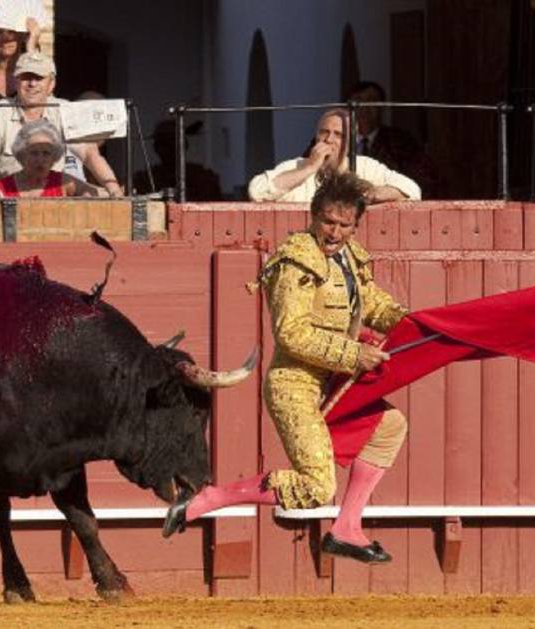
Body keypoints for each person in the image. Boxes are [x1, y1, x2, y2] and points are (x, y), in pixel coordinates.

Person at [164, 172, 410, 564]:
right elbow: (291, 334)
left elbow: (373, 303)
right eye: (328, 222)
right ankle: (210, 498)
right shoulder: (296, 261)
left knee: (390, 426)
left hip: (332, 379)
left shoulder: (349, 257)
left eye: (344, 225)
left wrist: (412, 323)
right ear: (313, 216)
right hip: (294, 384)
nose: (335, 232)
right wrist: (353, 355)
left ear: (355, 226)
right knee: (316, 488)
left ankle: (346, 528)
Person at [0, 51, 123, 197]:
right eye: (26, 77)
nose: (32, 84)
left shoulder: (64, 110)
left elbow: (89, 155)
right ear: (16, 82)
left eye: (39, 78)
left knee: (93, 194)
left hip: (54, 199)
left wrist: (113, 188)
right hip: (9, 199)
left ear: (51, 84)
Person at [248, 108, 421, 204]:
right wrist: (309, 168)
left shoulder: (366, 166)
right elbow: (256, 191)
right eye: (324, 132)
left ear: (351, 141)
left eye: (338, 134)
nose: (329, 139)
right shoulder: (296, 166)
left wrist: (372, 194)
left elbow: (412, 190)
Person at [345, 81, 442, 199]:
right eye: (358, 100)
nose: (364, 107)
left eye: (371, 100)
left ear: (382, 107)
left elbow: (423, 180)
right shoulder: (337, 140)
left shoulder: (402, 142)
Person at [0, 119, 102, 198]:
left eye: (46, 153)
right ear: (22, 155)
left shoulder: (62, 182)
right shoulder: (3, 187)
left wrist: (84, 199)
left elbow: (91, 191)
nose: (40, 159)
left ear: (54, 158)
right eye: (34, 153)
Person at [133, 119, 222, 200]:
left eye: (172, 143)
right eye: (163, 144)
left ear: (184, 145)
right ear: (156, 147)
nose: (167, 149)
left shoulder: (203, 177)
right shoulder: (144, 179)